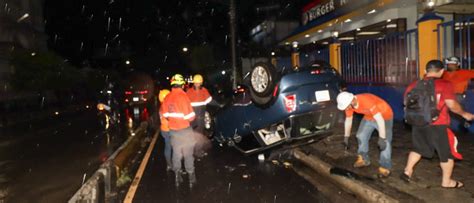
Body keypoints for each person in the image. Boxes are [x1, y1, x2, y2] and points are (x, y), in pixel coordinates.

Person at [402, 60, 474, 188]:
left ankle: (407, 171)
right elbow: (452, 105)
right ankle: (446, 182)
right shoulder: (444, 84)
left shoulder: (414, 84)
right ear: (441, 71)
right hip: (438, 124)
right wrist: (464, 114)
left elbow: (405, 102)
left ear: (425, 71)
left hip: (418, 122)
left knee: (418, 149)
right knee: (446, 154)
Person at [337, 91, 393, 177]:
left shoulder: (366, 101)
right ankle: (364, 159)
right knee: (360, 135)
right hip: (369, 116)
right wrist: (346, 137)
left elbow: (380, 120)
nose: (346, 109)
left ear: (352, 101)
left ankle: (385, 167)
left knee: (385, 142)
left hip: (384, 116)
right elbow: (348, 120)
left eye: (346, 106)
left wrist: (382, 138)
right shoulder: (349, 106)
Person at [160, 74, 197, 188]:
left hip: (173, 131)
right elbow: (190, 117)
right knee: (188, 154)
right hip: (185, 130)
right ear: (181, 84)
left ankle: (177, 176)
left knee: (176, 153)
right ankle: (191, 176)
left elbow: (165, 115)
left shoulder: (167, 97)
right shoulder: (183, 96)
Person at [158, 89, 172, 172]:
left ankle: (169, 165)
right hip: (170, 129)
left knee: (168, 146)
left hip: (164, 129)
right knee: (173, 147)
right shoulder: (167, 106)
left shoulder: (161, 106)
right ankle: (172, 165)